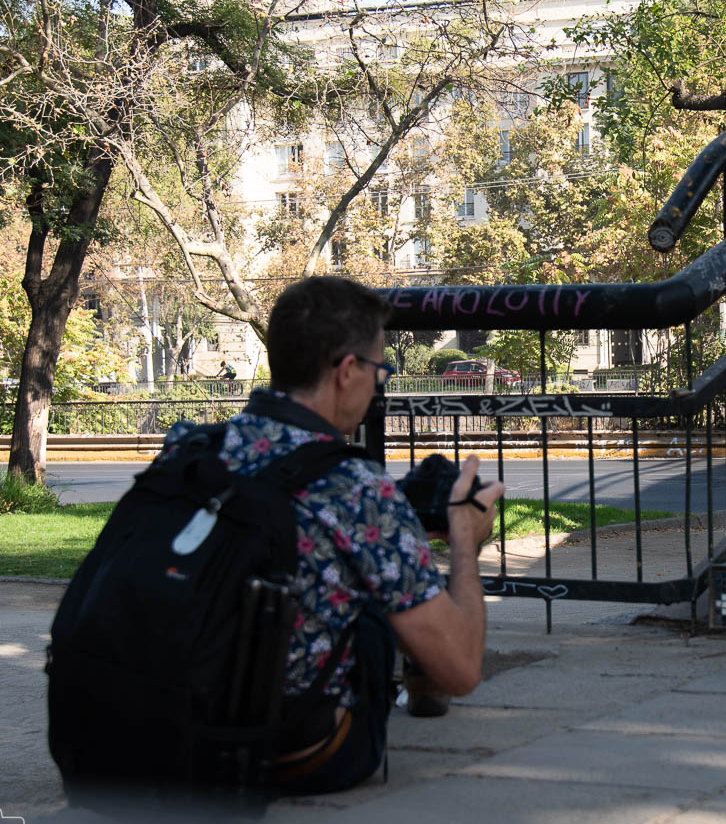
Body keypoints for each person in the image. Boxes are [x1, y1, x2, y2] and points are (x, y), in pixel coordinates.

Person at [160, 275, 502, 794]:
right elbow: (461, 670)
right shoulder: (356, 487)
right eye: (379, 370)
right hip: (296, 751)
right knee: (372, 596)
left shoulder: (188, 448)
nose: (377, 384)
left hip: (158, 727)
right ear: (347, 372)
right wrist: (463, 537)